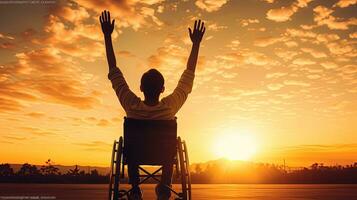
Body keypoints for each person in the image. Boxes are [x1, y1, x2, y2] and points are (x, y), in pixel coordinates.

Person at [100, 10, 205, 200]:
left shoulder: (131, 105)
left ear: (140, 88)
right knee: (168, 151)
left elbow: (113, 70)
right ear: (163, 89)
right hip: (163, 155)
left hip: (135, 154)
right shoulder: (170, 107)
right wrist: (196, 44)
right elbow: (188, 76)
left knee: (131, 151)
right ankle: (164, 188)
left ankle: (135, 189)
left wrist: (107, 36)